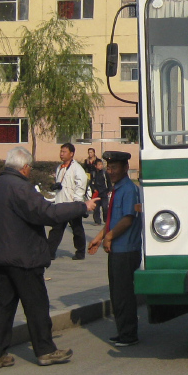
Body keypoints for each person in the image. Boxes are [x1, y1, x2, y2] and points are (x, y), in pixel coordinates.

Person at [0, 146, 97, 368]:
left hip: (0, 258)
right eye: (30, 168)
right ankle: (45, 350)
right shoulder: (20, 188)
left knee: (4, 305)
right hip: (23, 257)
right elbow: (47, 213)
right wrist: (81, 207)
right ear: (25, 167)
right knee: (36, 304)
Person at [87, 151, 142, 346]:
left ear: (125, 168)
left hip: (126, 250)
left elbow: (127, 219)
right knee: (117, 294)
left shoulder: (129, 189)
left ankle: (129, 334)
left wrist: (109, 237)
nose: (111, 171)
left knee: (124, 294)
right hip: (117, 250)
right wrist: (99, 237)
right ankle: (123, 331)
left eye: (115, 168)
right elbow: (113, 220)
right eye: (109, 168)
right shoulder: (117, 188)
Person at [47, 142, 90, 260]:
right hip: (61, 204)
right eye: (61, 151)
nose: (61, 154)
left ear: (71, 154)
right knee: (56, 229)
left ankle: (80, 252)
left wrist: (77, 201)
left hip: (72, 204)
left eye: (64, 152)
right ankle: (49, 252)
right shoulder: (60, 167)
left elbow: (81, 184)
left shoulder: (77, 168)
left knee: (77, 229)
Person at [89, 158, 108, 227]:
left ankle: (106, 220)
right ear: (95, 166)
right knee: (96, 208)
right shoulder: (93, 173)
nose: (101, 166)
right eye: (99, 164)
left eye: (101, 164)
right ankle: (97, 221)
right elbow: (91, 183)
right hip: (96, 193)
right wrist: (93, 189)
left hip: (104, 193)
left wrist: (109, 190)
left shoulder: (105, 173)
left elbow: (108, 182)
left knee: (105, 207)